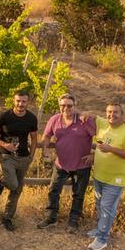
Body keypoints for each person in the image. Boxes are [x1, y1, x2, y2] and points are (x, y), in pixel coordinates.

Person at [38, 94, 96, 232]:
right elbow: (46, 135)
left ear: (75, 106)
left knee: (78, 194)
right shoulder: (54, 119)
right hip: (61, 164)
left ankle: (73, 221)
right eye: (63, 105)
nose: (66, 108)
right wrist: (45, 149)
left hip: (82, 165)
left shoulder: (84, 120)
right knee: (53, 190)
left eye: (69, 105)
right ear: (59, 106)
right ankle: (51, 217)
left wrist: (94, 154)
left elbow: (101, 137)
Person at [89, 103, 125, 250]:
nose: (112, 115)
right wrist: (79, 112)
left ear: (122, 114)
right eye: (109, 112)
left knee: (107, 208)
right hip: (99, 176)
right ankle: (99, 230)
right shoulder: (104, 124)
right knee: (99, 205)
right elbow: (91, 116)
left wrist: (111, 149)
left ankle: (102, 238)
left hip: (115, 179)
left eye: (115, 112)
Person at [0, 90, 39, 232]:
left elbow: (34, 138)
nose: (20, 104)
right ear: (13, 101)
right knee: (12, 183)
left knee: (17, 190)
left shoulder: (31, 118)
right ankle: (0, 180)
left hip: (23, 157)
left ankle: (7, 218)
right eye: (18, 101)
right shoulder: (4, 116)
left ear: (28, 102)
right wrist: (4, 145)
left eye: (23, 101)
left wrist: (31, 156)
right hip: (6, 156)